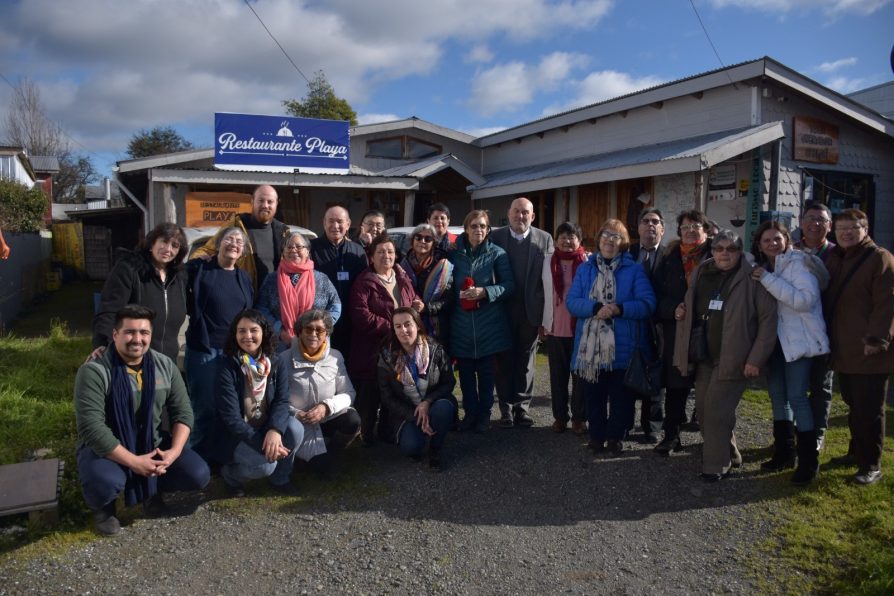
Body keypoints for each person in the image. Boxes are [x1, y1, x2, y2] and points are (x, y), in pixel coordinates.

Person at [74, 305, 210, 536]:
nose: (137, 339)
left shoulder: (164, 365)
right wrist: (134, 462)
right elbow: (91, 428)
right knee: (104, 481)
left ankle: (151, 490)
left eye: (144, 333)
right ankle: (104, 507)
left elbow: (183, 413)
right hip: (108, 449)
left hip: (152, 443)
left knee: (198, 474)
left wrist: (174, 453)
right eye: (130, 332)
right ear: (115, 335)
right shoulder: (95, 371)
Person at [673, 229, 776, 482]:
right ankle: (730, 452)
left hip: (735, 358)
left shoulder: (753, 277)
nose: (724, 254)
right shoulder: (703, 272)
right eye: (719, 248)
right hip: (705, 354)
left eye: (731, 249)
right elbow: (692, 303)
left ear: (740, 252)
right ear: (712, 251)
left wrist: (755, 359)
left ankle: (716, 465)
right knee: (705, 412)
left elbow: (768, 320)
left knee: (717, 411)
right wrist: (682, 310)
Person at [566, 219, 656, 457]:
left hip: (623, 348)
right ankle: (596, 436)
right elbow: (572, 302)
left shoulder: (634, 269)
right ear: (599, 239)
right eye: (606, 234)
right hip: (591, 349)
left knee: (621, 399)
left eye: (615, 236)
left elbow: (647, 304)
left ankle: (616, 437)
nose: (609, 240)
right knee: (593, 397)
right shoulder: (585, 268)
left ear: (623, 242)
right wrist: (596, 308)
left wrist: (619, 309)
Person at [751, 221, 829, 484]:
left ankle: (809, 463)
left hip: (799, 342)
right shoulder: (762, 268)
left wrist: (767, 279)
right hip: (774, 343)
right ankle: (784, 452)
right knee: (777, 396)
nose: (773, 244)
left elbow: (804, 301)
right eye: (766, 241)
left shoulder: (799, 264)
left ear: (786, 240)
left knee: (797, 398)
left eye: (777, 239)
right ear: (759, 245)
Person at [823, 209, 894, 486]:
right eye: (841, 229)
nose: (846, 233)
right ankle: (856, 453)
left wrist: (877, 339)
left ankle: (871, 465)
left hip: (869, 349)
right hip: (845, 349)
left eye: (853, 228)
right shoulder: (837, 258)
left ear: (865, 229)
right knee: (854, 405)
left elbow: (887, 302)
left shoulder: (879, 258)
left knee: (870, 410)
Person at [184, 226, 254, 460]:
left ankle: (223, 458)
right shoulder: (201, 268)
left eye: (239, 242)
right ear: (218, 243)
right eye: (229, 239)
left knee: (229, 408)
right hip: (205, 349)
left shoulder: (243, 277)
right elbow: (177, 275)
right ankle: (198, 459)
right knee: (204, 407)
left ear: (242, 251)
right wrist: (194, 261)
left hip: (233, 353)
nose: (234, 244)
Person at [215, 310, 303, 496]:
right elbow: (231, 419)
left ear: (263, 333)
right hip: (237, 435)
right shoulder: (226, 367)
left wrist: (275, 430)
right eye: (242, 331)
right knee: (264, 467)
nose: (248, 336)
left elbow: (282, 400)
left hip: (266, 427)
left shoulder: (276, 362)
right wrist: (264, 443)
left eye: (253, 330)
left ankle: (280, 479)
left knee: (296, 429)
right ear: (235, 334)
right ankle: (231, 477)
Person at [348, 233, 422, 444]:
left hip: (398, 349)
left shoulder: (401, 276)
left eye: (390, 251)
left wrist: (417, 303)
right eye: (380, 252)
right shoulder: (364, 281)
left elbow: (412, 297)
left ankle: (390, 433)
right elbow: (361, 316)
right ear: (371, 257)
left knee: (394, 393)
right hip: (372, 349)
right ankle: (364, 438)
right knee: (370, 396)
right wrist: (395, 327)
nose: (386, 256)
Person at [490, 197, 555, 428]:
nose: (520, 216)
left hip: (531, 311)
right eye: (516, 212)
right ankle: (505, 409)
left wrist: (546, 317)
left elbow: (549, 281)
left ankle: (522, 408)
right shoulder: (495, 238)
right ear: (508, 214)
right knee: (503, 361)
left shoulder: (544, 239)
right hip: (502, 311)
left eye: (525, 212)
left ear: (532, 216)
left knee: (526, 361)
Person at [448, 210, 514, 433]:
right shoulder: (453, 254)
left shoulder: (498, 254)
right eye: (474, 226)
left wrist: (485, 292)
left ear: (488, 230)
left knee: (486, 377)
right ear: (466, 228)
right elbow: (444, 286)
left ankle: (484, 415)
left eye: (483, 226)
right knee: (466, 377)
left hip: (489, 325)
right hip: (462, 325)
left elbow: (509, 286)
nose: (478, 230)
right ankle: (470, 413)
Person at [652, 210, 711, 455]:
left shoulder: (716, 255)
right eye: (685, 227)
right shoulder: (669, 257)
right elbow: (656, 296)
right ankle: (671, 436)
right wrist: (671, 309)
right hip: (677, 332)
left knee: (710, 389)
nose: (690, 230)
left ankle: (717, 442)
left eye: (696, 226)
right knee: (676, 387)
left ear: (705, 230)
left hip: (709, 330)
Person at [93, 222, 188, 362]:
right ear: (152, 243)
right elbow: (110, 308)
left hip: (167, 361)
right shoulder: (129, 269)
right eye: (164, 242)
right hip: (132, 358)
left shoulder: (179, 277)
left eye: (174, 245)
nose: (168, 249)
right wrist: (101, 343)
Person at [377, 307, 457, 469]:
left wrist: (427, 402)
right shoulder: (386, 357)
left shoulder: (435, 350)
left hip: (433, 404)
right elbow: (387, 398)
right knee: (411, 448)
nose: (403, 330)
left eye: (408, 324)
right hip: (407, 413)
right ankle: (421, 432)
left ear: (418, 325)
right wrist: (416, 417)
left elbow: (449, 382)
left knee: (444, 408)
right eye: (398, 326)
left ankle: (436, 448)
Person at [284, 309, 360, 473]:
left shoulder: (335, 357)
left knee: (352, 420)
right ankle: (298, 455)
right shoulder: (283, 359)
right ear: (299, 332)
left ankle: (332, 451)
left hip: (326, 417)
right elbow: (276, 400)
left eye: (319, 330)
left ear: (327, 334)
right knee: (324, 471)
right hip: (299, 423)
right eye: (308, 329)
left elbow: (349, 394)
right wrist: (297, 414)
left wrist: (326, 407)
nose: (313, 334)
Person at [794, 202, 836, 451]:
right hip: (794, 332)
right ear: (801, 223)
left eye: (821, 219)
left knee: (821, 387)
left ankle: (816, 435)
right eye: (810, 218)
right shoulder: (789, 251)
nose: (815, 224)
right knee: (794, 388)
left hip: (825, 332)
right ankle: (789, 435)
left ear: (829, 226)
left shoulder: (837, 254)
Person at [191, 185, 290, 289]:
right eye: (261, 200)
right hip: (243, 296)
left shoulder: (282, 232)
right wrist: (199, 259)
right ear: (252, 201)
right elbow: (208, 250)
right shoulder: (237, 224)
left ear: (276, 204)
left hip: (273, 299)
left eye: (270, 202)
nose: (265, 205)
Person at [255, 232, 341, 351]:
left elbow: (336, 306)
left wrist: (319, 328)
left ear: (307, 252)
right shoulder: (271, 279)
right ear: (283, 253)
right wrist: (280, 331)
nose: (293, 250)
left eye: (299, 247)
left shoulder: (321, 279)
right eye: (289, 247)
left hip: (316, 342)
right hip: (281, 345)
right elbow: (261, 308)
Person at [543, 222, 588, 434]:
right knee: (557, 376)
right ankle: (560, 417)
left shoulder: (587, 262)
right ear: (556, 239)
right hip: (555, 327)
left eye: (572, 236)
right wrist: (541, 322)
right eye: (562, 236)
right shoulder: (546, 262)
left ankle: (579, 418)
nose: (567, 240)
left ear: (579, 240)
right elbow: (540, 293)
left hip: (580, 327)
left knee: (580, 376)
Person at [627, 207, 667, 443]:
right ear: (638, 227)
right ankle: (625, 423)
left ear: (662, 228)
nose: (650, 225)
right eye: (645, 221)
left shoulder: (670, 256)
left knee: (655, 376)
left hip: (659, 324)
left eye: (655, 221)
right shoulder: (628, 253)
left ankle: (652, 426)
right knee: (628, 371)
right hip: (630, 322)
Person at [309, 205, 368, 354]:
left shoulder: (357, 251)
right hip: (321, 319)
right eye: (331, 221)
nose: (335, 226)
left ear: (348, 224)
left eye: (340, 221)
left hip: (351, 320)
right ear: (324, 223)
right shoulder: (311, 249)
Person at [399, 222, 453, 344]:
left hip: (436, 328)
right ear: (412, 241)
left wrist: (427, 308)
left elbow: (449, 300)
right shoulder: (403, 264)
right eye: (418, 237)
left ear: (433, 243)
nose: (422, 241)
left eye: (428, 239)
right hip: (409, 326)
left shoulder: (443, 266)